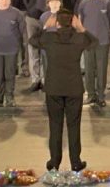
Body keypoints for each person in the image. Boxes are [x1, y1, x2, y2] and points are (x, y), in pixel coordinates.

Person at [30, 10, 94, 173]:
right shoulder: (79, 38)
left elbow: (32, 40)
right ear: (73, 22)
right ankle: (75, 162)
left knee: (55, 125)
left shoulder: (49, 38)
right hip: (74, 88)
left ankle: (54, 162)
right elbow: (94, 42)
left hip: (54, 88)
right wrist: (81, 28)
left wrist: (45, 27)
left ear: (56, 23)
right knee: (74, 126)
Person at [23, 0, 61, 92]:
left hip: (49, 19)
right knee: (33, 48)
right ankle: (35, 79)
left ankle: (46, 79)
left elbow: (57, 0)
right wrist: (32, 12)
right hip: (32, 19)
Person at [77, 0, 110, 106]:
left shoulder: (107, 3)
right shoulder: (84, 3)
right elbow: (80, 21)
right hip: (88, 41)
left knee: (101, 69)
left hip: (102, 41)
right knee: (89, 68)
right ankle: (91, 94)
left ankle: (101, 96)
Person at [38, 0, 64, 86]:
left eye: (57, 2)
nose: (54, 4)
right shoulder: (43, 16)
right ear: (48, 4)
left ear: (60, 3)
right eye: (52, 2)